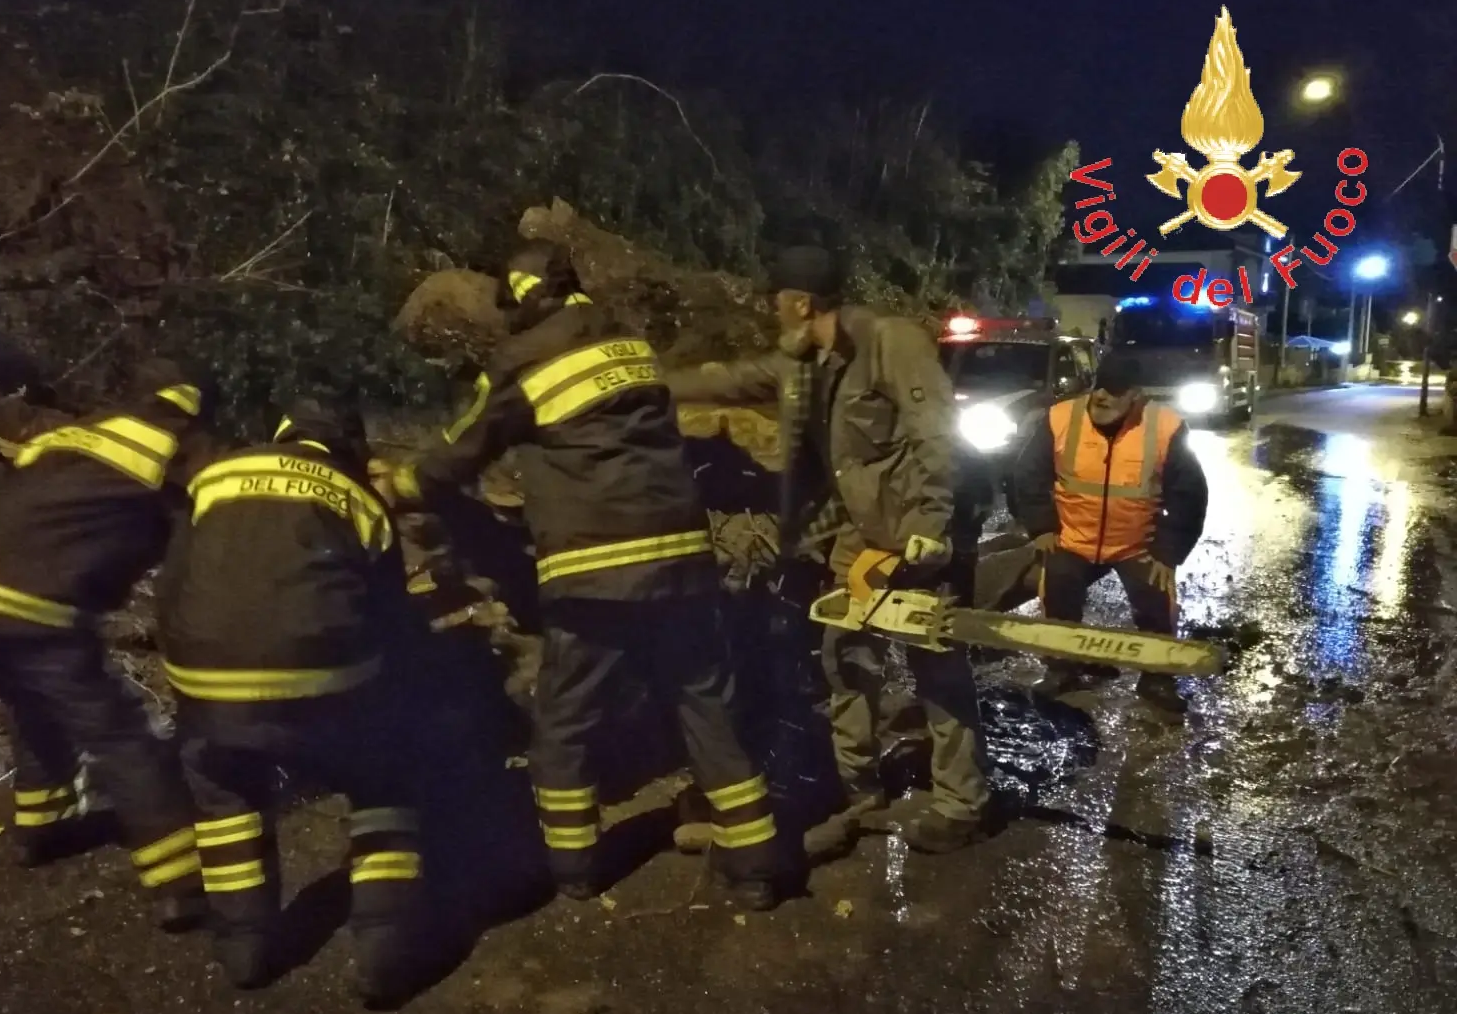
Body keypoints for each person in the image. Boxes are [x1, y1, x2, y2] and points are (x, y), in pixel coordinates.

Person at [385, 240, 779, 910]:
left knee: (566, 719)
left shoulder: (524, 359)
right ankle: (759, 869)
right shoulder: (632, 346)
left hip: (595, 570)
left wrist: (400, 481)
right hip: (683, 560)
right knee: (706, 706)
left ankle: (574, 869)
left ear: (525, 293)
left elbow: (463, 448)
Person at [666, 245, 992, 856]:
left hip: (919, 534)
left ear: (800, 301)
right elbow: (733, 380)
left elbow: (936, 433)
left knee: (935, 665)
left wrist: (929, 524)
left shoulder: (890, 343)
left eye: (777, 303)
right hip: (860, 535)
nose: (773, 313)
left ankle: (961, 801)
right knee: (846, 658)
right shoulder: (806, 361)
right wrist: (648, 383)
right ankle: (859, 783)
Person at [0, 360, 215, 931]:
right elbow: (196, 541)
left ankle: (42, 830)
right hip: (27, 604)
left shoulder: (69, 436)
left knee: (36, 704)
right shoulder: (173, 449)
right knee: (124, 734)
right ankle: (182, 883)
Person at [155, 395, 422, 1005]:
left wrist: (192, 684)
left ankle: (244, 947)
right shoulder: (359, 498)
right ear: (349, 448)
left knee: (224, 788)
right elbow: (393, 620)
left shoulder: (215, 477)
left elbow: (174, 585)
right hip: (324, 679)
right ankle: (383, 949)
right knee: (384, 777)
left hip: (208, 675)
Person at [1011, 352, 1209, 714]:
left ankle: (1157, 678)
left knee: (1156, 600)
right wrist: (1042, 527)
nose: (1101, 395)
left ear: (1135, 394)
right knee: (1058, 592)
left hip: (1136, 544)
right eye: (1098, 386)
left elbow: (1189, 495)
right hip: (1072, 537)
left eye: (1114, 390)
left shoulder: (1164, 426)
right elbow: (1028, 476)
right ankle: (1062, 668)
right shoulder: (1060, 418)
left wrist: (1167, 552)